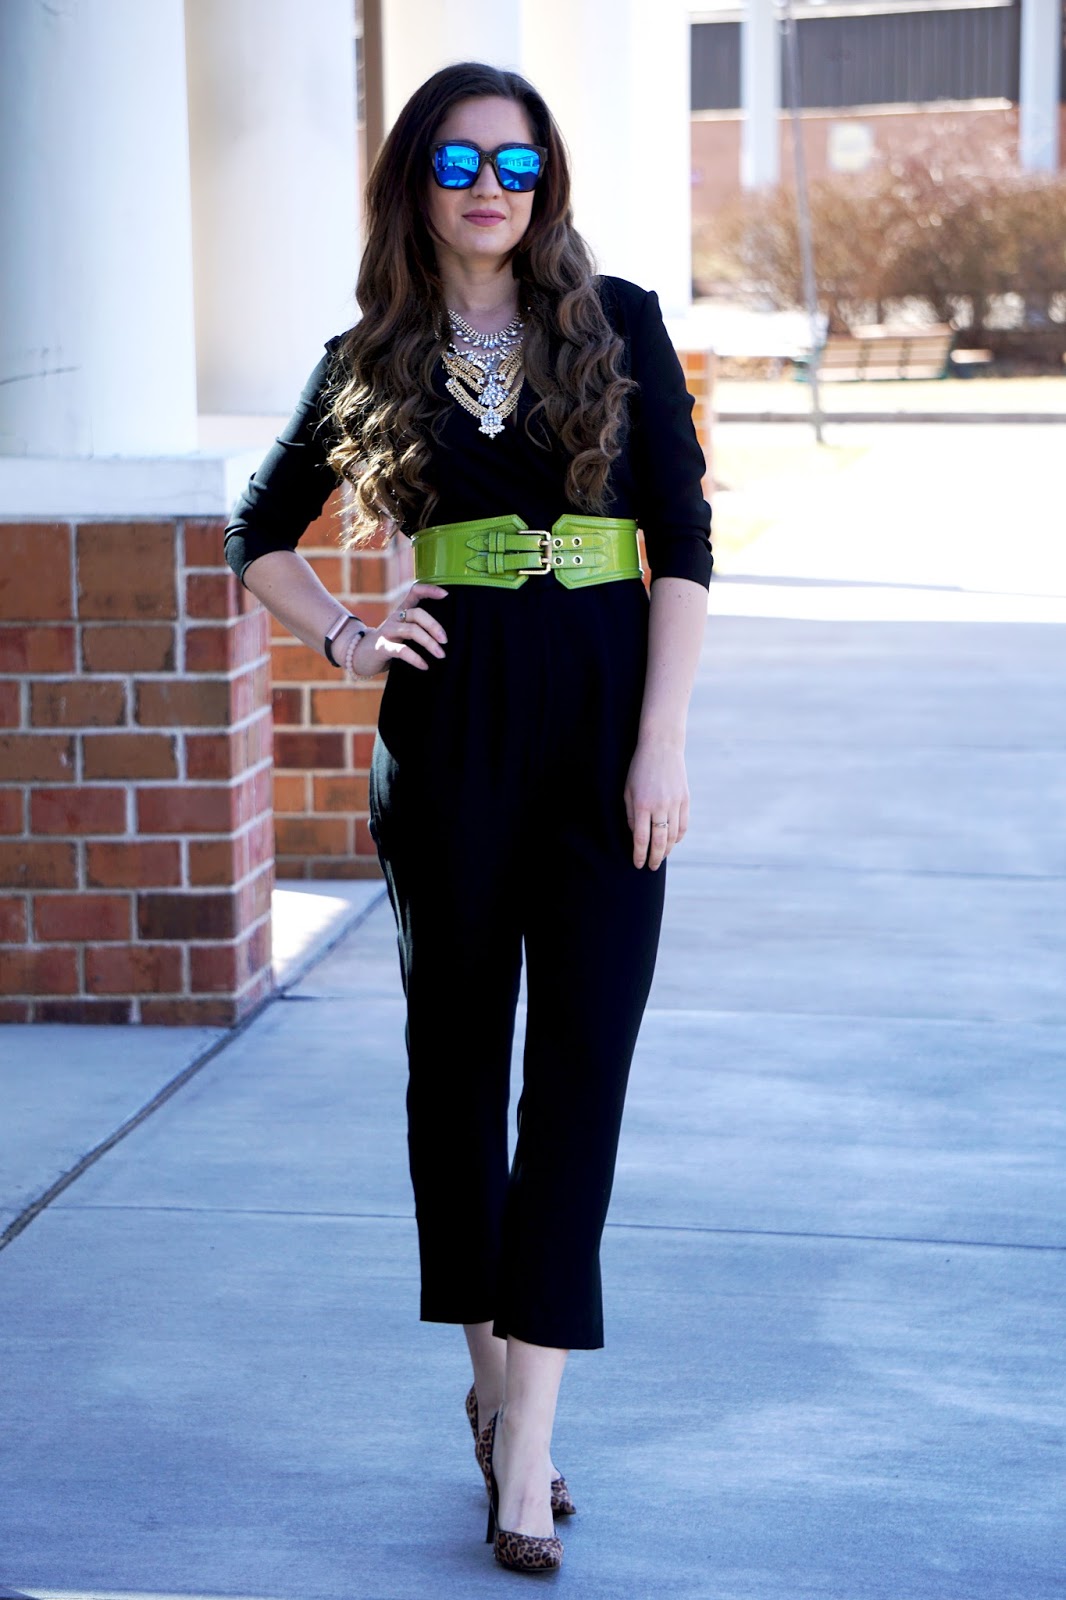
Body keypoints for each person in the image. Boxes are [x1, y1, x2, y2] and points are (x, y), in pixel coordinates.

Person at [223, 60, 712, 1575]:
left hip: (603, 731)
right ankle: (494, 1393)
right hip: (449, 739)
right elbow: (256, 531)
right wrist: (347, 635)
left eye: (513, 162)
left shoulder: (617, 320)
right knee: (455, 1075)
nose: (488, 187)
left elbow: (683, 544)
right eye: (455, 163)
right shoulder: (368, 353)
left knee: (579, 1076)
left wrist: (660, 746)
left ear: (544, 178)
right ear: (414, 185)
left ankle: (531, 1442)